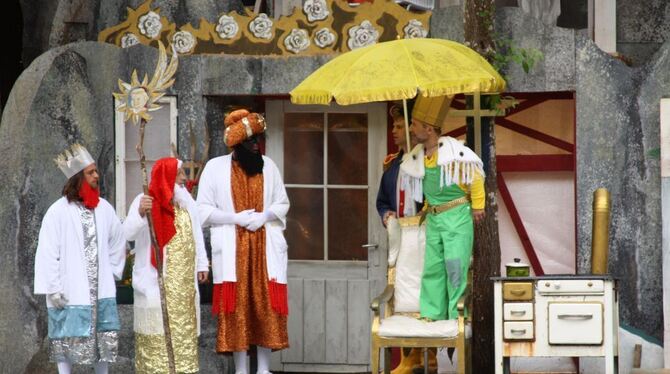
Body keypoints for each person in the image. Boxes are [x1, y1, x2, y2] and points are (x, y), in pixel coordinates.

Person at [197, 109, 290, 374]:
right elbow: (202, 210)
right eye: (251, 143)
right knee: (237, 306)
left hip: (264, 250)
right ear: (237, 146)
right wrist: (234, 217)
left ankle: (263, 368)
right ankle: (240, 369)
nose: (256, 147)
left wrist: (265, 216)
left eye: (258, 141)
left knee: (265, 305)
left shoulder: (269, 166)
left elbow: (283, 202)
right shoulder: (215, 168)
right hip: (233, 249)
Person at [34, 143, 126, 374]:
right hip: (69, 289)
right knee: (65, 337)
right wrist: (52, 287)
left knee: (101, 339)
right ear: (78, 178)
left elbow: (118, 240)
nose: (97, 175)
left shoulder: (104, 208)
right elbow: (47, 251)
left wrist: (113, 271)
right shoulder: (58, 211)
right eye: (91, 172)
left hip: (101, 290)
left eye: (96, 171)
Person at [401, 95, 485, 321]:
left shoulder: (452, 151)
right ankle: (432, 314)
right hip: (435, 219)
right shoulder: (421, 155)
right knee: (433, 267)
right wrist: (427, 205)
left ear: (429, 129)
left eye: (415, 125)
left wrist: (478, 206)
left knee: (455, 267)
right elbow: (433, 186)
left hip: (457, 217)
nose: (411, 129)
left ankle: (456, 315)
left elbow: (475, 175)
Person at [123, 157, 209, 373]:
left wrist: (202, 264)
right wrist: (141, 213)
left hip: (183, 291)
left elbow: (196, 234)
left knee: (183, 342)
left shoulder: (187, 203)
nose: (183, 178)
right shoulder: (144, 200)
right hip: (155, 286)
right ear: (166, 176)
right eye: (179, 173)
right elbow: (127, 233)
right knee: (156, 343)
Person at [376, 104, 419, 226]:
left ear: (412, 129)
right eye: (394, 126)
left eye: (399, 127)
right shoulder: (392, 165)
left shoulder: (426, 162)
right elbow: (382, 201)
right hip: (400, 232)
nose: (394, 131)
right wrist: (386, 213)